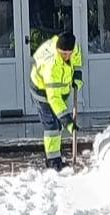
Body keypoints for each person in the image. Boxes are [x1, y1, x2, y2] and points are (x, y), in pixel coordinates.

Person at [29, 31, 84, 170]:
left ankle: (54, 155)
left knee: (57, 124)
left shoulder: (73, 47)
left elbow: (77, 57)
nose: (67, 56)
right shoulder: (52, 65)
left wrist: (77, 74)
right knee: (52, 126)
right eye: (63, 54)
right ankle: (53, 162)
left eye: (69, 53)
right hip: (41, 90)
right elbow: (53, 98)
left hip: (58, 89)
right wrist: (67, 121)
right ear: (58, 50)